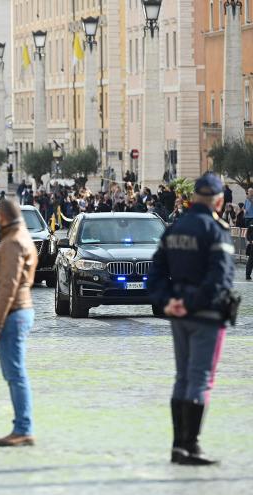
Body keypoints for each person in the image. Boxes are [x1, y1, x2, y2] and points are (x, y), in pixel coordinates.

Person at [147, 173, 235, 466]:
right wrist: (190, 303)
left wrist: (168, 301)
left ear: (193, 197)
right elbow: (219, 278)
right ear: (219, 201)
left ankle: (177, 445)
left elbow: (156, 270)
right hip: (205, 314)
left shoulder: (175, 228)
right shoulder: (215, 228)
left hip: (177, 314)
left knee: (182, 377)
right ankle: (190, 445)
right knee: (200, 379)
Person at [0, 198, 38, 447]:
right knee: (14, 373)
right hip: (17, 311)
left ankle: (23, 428)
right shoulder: (22, 237)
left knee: (16, 374)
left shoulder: (13, 242)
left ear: (3, 217)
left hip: (13, 312)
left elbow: (9, 285)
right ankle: (22, 426)